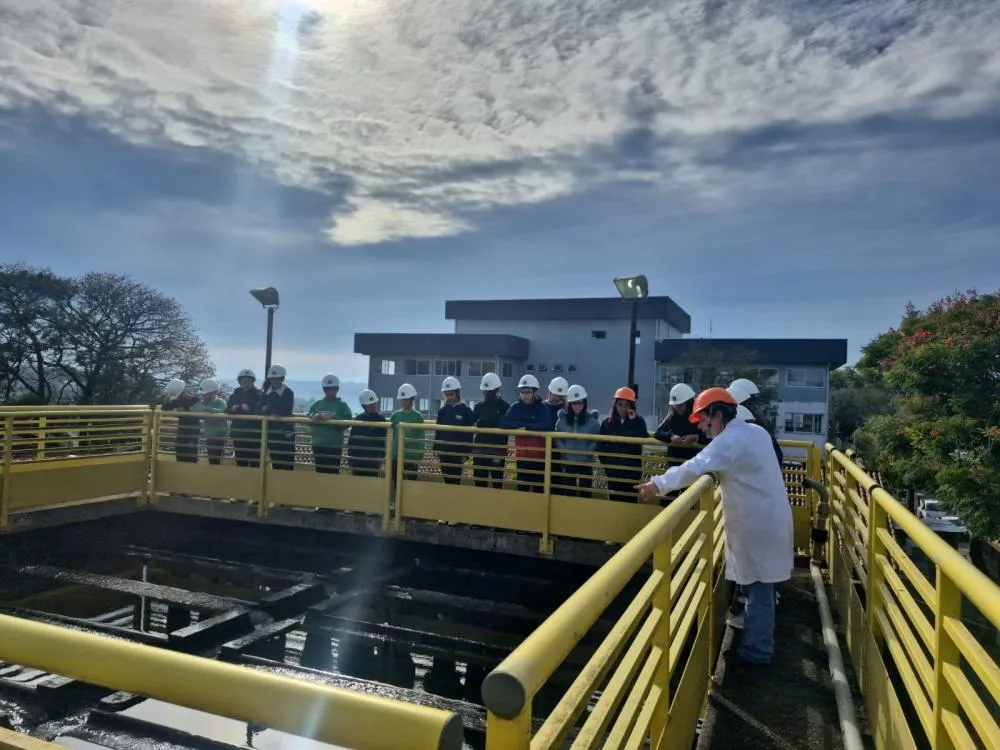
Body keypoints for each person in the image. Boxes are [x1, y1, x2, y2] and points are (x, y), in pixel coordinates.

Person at [635, 386, 793, 666]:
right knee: (761, 586)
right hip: (768, 516)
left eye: (704, 421)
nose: (704, 429)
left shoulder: (730, 440)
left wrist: (657, 484)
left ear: (718, 414)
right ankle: (759, 646)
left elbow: (695, 465)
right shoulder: (755, 432)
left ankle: (757, 653)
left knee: (758, 590)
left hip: (756, 522)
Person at [597, 386, 649, 502]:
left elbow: (643, 437)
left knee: (630, 503)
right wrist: (608, 467)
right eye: (620, 404)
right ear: (615, 405)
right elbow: (600, 447)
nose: (623, 408)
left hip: (632, 473)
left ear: (631, 406)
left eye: (627, 405)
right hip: (613, 473)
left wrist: (633, 421)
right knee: (614, 503)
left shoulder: (638, 421)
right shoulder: (607, 423)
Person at [500, 374, 551, 493]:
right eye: (522, 392)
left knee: (539, 489)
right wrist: (521, 425)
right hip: (522, 455)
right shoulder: (516, 406)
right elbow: (504, 422)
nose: (525, 395)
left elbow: (546, 424)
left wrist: (527, 426)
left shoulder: (542, 407)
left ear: (534, 392)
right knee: (522, 488)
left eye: (528, 392)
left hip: (539, 456)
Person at [553, 385, 601, 497]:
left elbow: (597, 437)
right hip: (568, 461)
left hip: (586, 462)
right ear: (570, 405)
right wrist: (563, 449)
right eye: (575, 403)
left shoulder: (592, 420)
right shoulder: (562, 419)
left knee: (586, 492)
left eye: (580, 403)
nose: (578, 406)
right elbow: (557, 435)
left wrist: (589, 451)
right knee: (569, 492)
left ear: (584, 403)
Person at [471, 373, 510, 489]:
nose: (487, 393)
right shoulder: (479, 406)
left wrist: (484, 423)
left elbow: (505, 424)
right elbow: (469, 421)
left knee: (497, 483)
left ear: (496, 390)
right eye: (485, 391)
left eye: (489, 391)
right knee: (479, 482)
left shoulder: (504, 406)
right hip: (479, 450)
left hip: (497, 450)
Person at [308, 374, 353, 474]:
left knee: (333, 472)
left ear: (337, 389)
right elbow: (309, 416)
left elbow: (348, 421)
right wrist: (314, 416)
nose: (330, 391)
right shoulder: (318, 404)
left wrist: (332, 419)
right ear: (324, 390)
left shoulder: (342, 405)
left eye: (332, 389)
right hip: (318, 445)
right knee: (320, 471)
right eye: (328, 389)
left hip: (334, 446)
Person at [434, 376, 474, 485]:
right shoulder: (442, 411)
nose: (449, 397)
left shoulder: (466, 411)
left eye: (451, 394)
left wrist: (466, 454)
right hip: (444, 452)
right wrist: (436, 448)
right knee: (446, 479)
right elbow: (438, 431)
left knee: (456, 481)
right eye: (447, 394)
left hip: (458, 453)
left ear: (457, 393)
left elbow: (469, 434)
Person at [260, 364, 296, 471]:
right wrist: (271, 410)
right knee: (275, 462)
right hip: (272, 433)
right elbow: (258, 407)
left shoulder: (288, 392)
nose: (274, 381)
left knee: (287, 461)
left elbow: (286, 410)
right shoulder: (266, 392)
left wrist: (267, 409)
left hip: (286, 433)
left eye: (277, 379)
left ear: (282, 379)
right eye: (272, 379)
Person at [225, 368, 262, 468]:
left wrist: (250, 409)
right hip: (239, 433)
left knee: (255, 461)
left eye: (249, 382)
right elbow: (227, 409)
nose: (247, 384)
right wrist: (233, 408)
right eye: (244, 382)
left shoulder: (259, 395)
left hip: (254, 435)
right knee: (241, 460)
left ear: (253, 382)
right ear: (240, 382)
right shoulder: (235, 394)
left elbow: (262, 410)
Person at [347, 389, 387, 477]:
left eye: (374, 403)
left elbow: (384, 441)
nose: (373, 406)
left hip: (374, 461)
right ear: (364, 406)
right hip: (359, 461)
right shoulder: (358, 419)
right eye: (370, 404)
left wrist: (381, 457)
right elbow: (352, 441)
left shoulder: (381, 419)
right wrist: (350, 459)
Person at [390, 383, 425, 481]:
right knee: (396, 483)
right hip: (396, 456)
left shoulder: (418, 416)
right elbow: (390, 435)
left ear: (412, 399)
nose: (403, 402)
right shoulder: (395, 415)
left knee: (411, 484)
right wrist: (389, 453)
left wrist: (418, 456)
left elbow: (421, 437)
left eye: (406, 399)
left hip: (411, 456)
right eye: (402, 399)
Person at [188, 378, 228, 465]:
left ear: (213, 393)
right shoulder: (204, 402)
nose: (203, 396)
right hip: (210, 436)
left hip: (220, 436)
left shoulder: (221, 402)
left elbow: (222, 410)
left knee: (217, 459)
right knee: (212, 459)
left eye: (205, 394)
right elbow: (192, 409)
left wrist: (206, 409)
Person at [162, 379, 200, 463]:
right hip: (181, 432)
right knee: (180, 456)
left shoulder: (195, 400)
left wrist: (183, 411)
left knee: (191, 457)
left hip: (192, 434)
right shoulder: (176, 401)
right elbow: (164, 407)